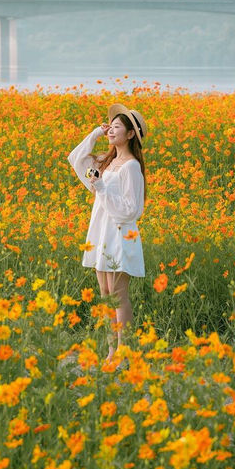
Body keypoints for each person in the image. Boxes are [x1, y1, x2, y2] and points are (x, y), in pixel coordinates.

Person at [68, 103, 148, 361]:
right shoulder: (109, 161)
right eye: (109, 127)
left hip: (120, 233)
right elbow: (76, 159)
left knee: (117, 294)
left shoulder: (131, 166)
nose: (111, 131)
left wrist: (101, 187)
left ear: (130, 134)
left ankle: (123, 352)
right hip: (102, 230)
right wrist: (94, 134)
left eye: (116, 127)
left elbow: (132, 210)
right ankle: (111, 351)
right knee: (104, 293)